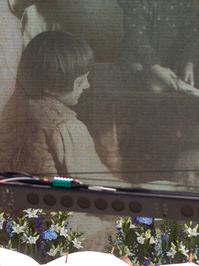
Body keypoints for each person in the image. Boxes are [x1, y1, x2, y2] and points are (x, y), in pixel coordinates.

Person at [0, 31, 119, 184]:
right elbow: (94, 181)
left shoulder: (15, 105)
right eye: (80, 82)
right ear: (52, 87)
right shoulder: (65, 124)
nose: (87, 85)